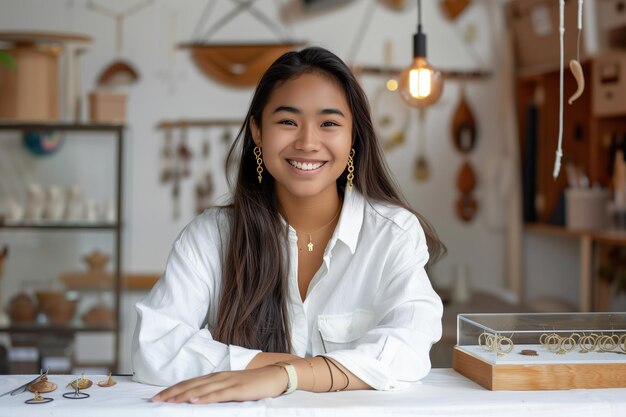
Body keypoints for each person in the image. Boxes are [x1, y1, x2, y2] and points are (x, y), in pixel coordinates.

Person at [132, 46, 444, 404]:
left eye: (329, 123)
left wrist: (287, 377)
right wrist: (268, 367)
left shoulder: (394, 234)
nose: (308, 143)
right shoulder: (210, 236)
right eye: (287, 121)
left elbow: (410, 347)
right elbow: (152, 345)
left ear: (353, 136)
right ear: (258, 132)